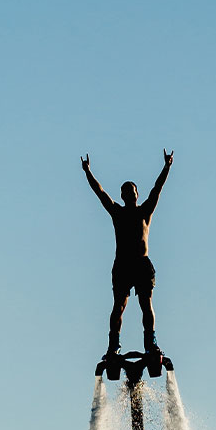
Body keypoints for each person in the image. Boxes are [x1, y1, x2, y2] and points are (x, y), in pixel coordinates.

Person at [82, 149, 173, 358]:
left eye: (132, 191)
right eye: (126, 192)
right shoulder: (117, 212)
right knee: (119, 306)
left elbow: (157, 188)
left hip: (142, 264)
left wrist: (167, 167)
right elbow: (100, 192)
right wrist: (88, 172)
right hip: (123, 265)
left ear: (137, 194)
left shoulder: (145, 211)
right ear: (122, 196)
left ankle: (151, 343)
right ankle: (113, 345)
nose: (130, 195)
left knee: (146, 304)